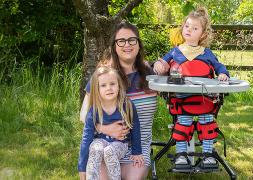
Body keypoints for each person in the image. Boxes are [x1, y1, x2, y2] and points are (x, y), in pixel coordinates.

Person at [80, 21, 157, 179]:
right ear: (114, 46)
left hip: (138, 148)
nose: (127, 45)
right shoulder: (105, 77)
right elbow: (84, 115)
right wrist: (104, 129)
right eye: (121, 41)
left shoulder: (151, 75)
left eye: (132, 40)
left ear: (138, 44)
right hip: (105, 143)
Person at [153, 7, 229, 167]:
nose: (189, 30)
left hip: (205, 100)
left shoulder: (206, 53)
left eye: (195, 28)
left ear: (202, 34)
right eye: (187, 26)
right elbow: (162, 63)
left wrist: (223, 74)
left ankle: (208, 155)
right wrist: (159, 65)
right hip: (181, 100)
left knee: (207, 123)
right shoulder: (176, 52)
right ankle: (181, 156)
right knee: (183, 124)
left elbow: (220, 66)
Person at [78, 66, 144, 180]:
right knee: (95, 147)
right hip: (100, 141)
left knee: (109, 151)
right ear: (96, 89)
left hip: (120, 144)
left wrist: (137, 152)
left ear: (119, 86)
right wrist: (81, 167)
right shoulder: (94, 110)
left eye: (112, 84)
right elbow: (86, 138)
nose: (109, 88)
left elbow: (136, 128)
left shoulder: (127, 105)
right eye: (103, 85)